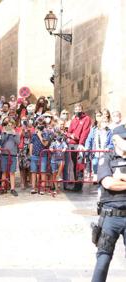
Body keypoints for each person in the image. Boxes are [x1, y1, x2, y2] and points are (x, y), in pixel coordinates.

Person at [91, 125, 126, 282]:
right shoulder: (106, 159)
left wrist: (120, 178)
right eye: (124, 139)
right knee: (103, 261)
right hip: (110, 216)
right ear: (114, 139)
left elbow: (115, 182)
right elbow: (109, 183)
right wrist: (115, 180)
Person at [66, 103, 92, 192]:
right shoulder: (73, 120)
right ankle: (76, 184)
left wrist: (81, 143)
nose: (78, 110)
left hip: (80, 145)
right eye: (76, 109)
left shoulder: (86, 119)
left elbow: (85, 132)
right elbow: (68, 132)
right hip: (72, 144)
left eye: (79, 109)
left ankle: (79, 184)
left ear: (82, 109)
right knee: (74, 164)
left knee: (80, 164)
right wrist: (72, 136)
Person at [0, 119, 20, 196]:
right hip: (4, 154)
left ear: (14, 125)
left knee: (12, 172)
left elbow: (18, 142)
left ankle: (12, 188)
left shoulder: (16, 133)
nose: (10, 126)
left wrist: (14, 134)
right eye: (8, 125)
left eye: (11, 125)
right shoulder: (4, 132)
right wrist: (5, 133)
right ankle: (2, 187)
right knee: (4, 171)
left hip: (13, 155)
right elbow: (1, 141)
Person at [30, 119, 50, 195]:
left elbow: (45, 144)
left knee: (43, 172)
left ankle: (42, 188)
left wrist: (40, 135)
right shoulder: (34, 134)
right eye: (38, 124)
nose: (39, 125)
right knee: (33, 171)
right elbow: (31, 144)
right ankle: (33, 188)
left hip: (43, 155)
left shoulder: (46, 133)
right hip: (34, 155)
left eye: (41, 124)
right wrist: (31, 154)